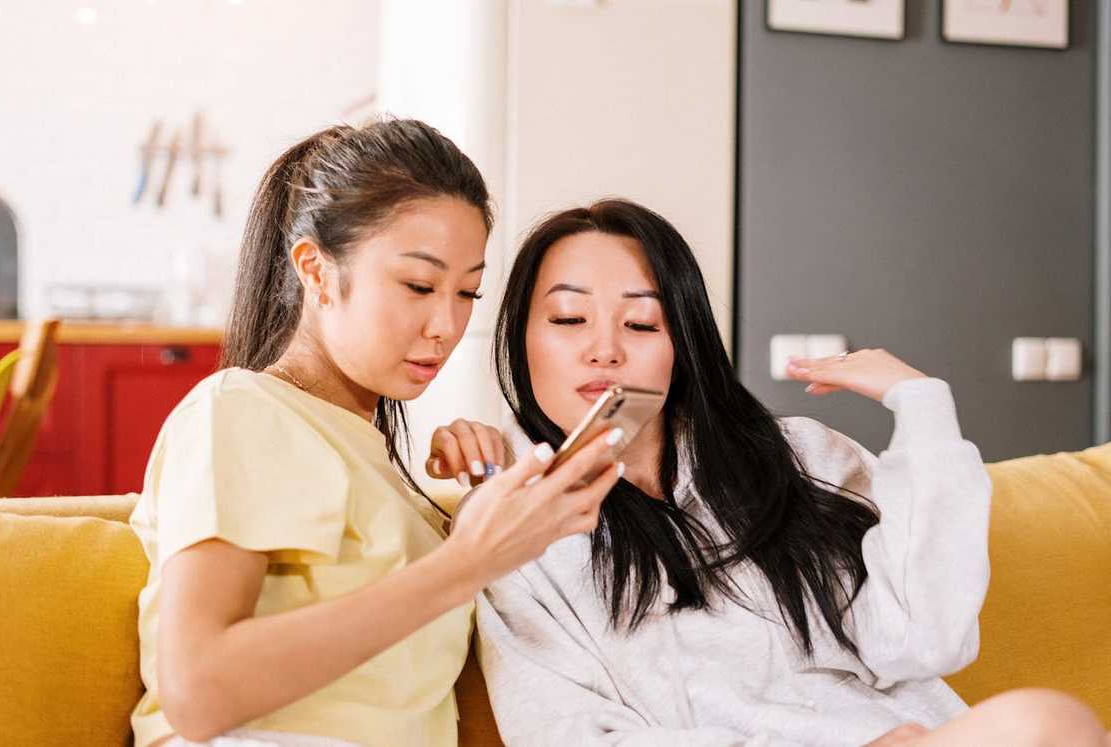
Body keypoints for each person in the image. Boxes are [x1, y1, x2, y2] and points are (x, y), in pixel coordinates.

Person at [474, 198, 1110, 746]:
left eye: (641, 322)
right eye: (567, 319)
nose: (605, 348)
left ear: (682, 345)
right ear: (520, 338)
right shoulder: (512, 524)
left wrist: (923, 411)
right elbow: (565, 735)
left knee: (1044, 724)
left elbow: (923, 642)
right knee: (1042, 722)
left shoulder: (798, 460)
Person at [128, 119, 622, 747]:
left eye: (468, 291)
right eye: (418, 285)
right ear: (315, 269)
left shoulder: (379, 463)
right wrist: (467, 560)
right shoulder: (241, 410)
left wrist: (476, 501)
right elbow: (197, 692)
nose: (447, 324)